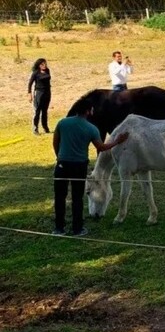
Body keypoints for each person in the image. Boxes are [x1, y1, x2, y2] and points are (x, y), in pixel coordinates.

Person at [52, 98, 129, 236]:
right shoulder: (91, 128)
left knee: (59, 196)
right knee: (77, 198)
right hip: (79, 166)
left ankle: (59, 228)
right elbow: (101, 147)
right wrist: (117, 141)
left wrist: (59, 156)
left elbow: (55, 141)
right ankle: (77, 228)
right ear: (88, 111)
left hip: (62, 164)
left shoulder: (62, 123)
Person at [27, 58, 52, 135]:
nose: (44, 65)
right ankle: (35, 129)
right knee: (37, 111)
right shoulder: (36, 73)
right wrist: (30, 94)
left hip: (47, 92)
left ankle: (45, 128)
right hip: (39, 93)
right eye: (42, 64)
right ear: (38, 65)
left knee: (45, 111)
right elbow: (30, 84)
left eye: (45, 64)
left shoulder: (47, 70)